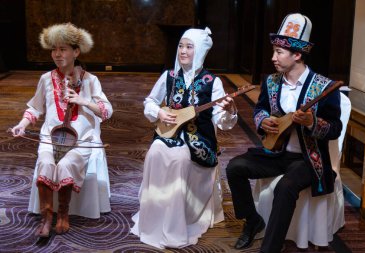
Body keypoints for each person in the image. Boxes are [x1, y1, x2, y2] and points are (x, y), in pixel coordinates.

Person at [226, 13, 342, 253]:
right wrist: (264, 120)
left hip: (309, 160)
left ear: (297, 55)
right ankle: (252, 220)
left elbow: (335, 128)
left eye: (279, 52)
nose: (273, 58)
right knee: (235, 167)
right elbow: (260, 109)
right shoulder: (272, 82)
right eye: (274, 51)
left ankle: (270, 248)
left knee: (285, 187)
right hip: (276, 153)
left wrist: (312, 122)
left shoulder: (325, 87)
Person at [131, 27, 237, 249]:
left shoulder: (212, 81)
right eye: (181, 46)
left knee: (179, 160)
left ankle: (176, 223)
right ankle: (153, 219)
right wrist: (159, 112)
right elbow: (150, 101)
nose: (183, 51)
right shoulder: (168, 76)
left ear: (200, 51)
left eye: (189, 47)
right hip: (169, 132)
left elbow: (220, 120)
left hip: (199, 138)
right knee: (154, 153)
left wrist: (230, 110)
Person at [10, 23, 113, 237]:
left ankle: (63, 214)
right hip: (51, 139)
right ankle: (47, 218)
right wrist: (22, 124)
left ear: (76, 51)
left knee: (66, 165)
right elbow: (35, 107)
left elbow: (106, 111)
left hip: (80, 141)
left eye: (63, 49)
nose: (57, 54)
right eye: (54, 49)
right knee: (46, 164)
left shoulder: (91, 80)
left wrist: (83, 100)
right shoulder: (46, 79)